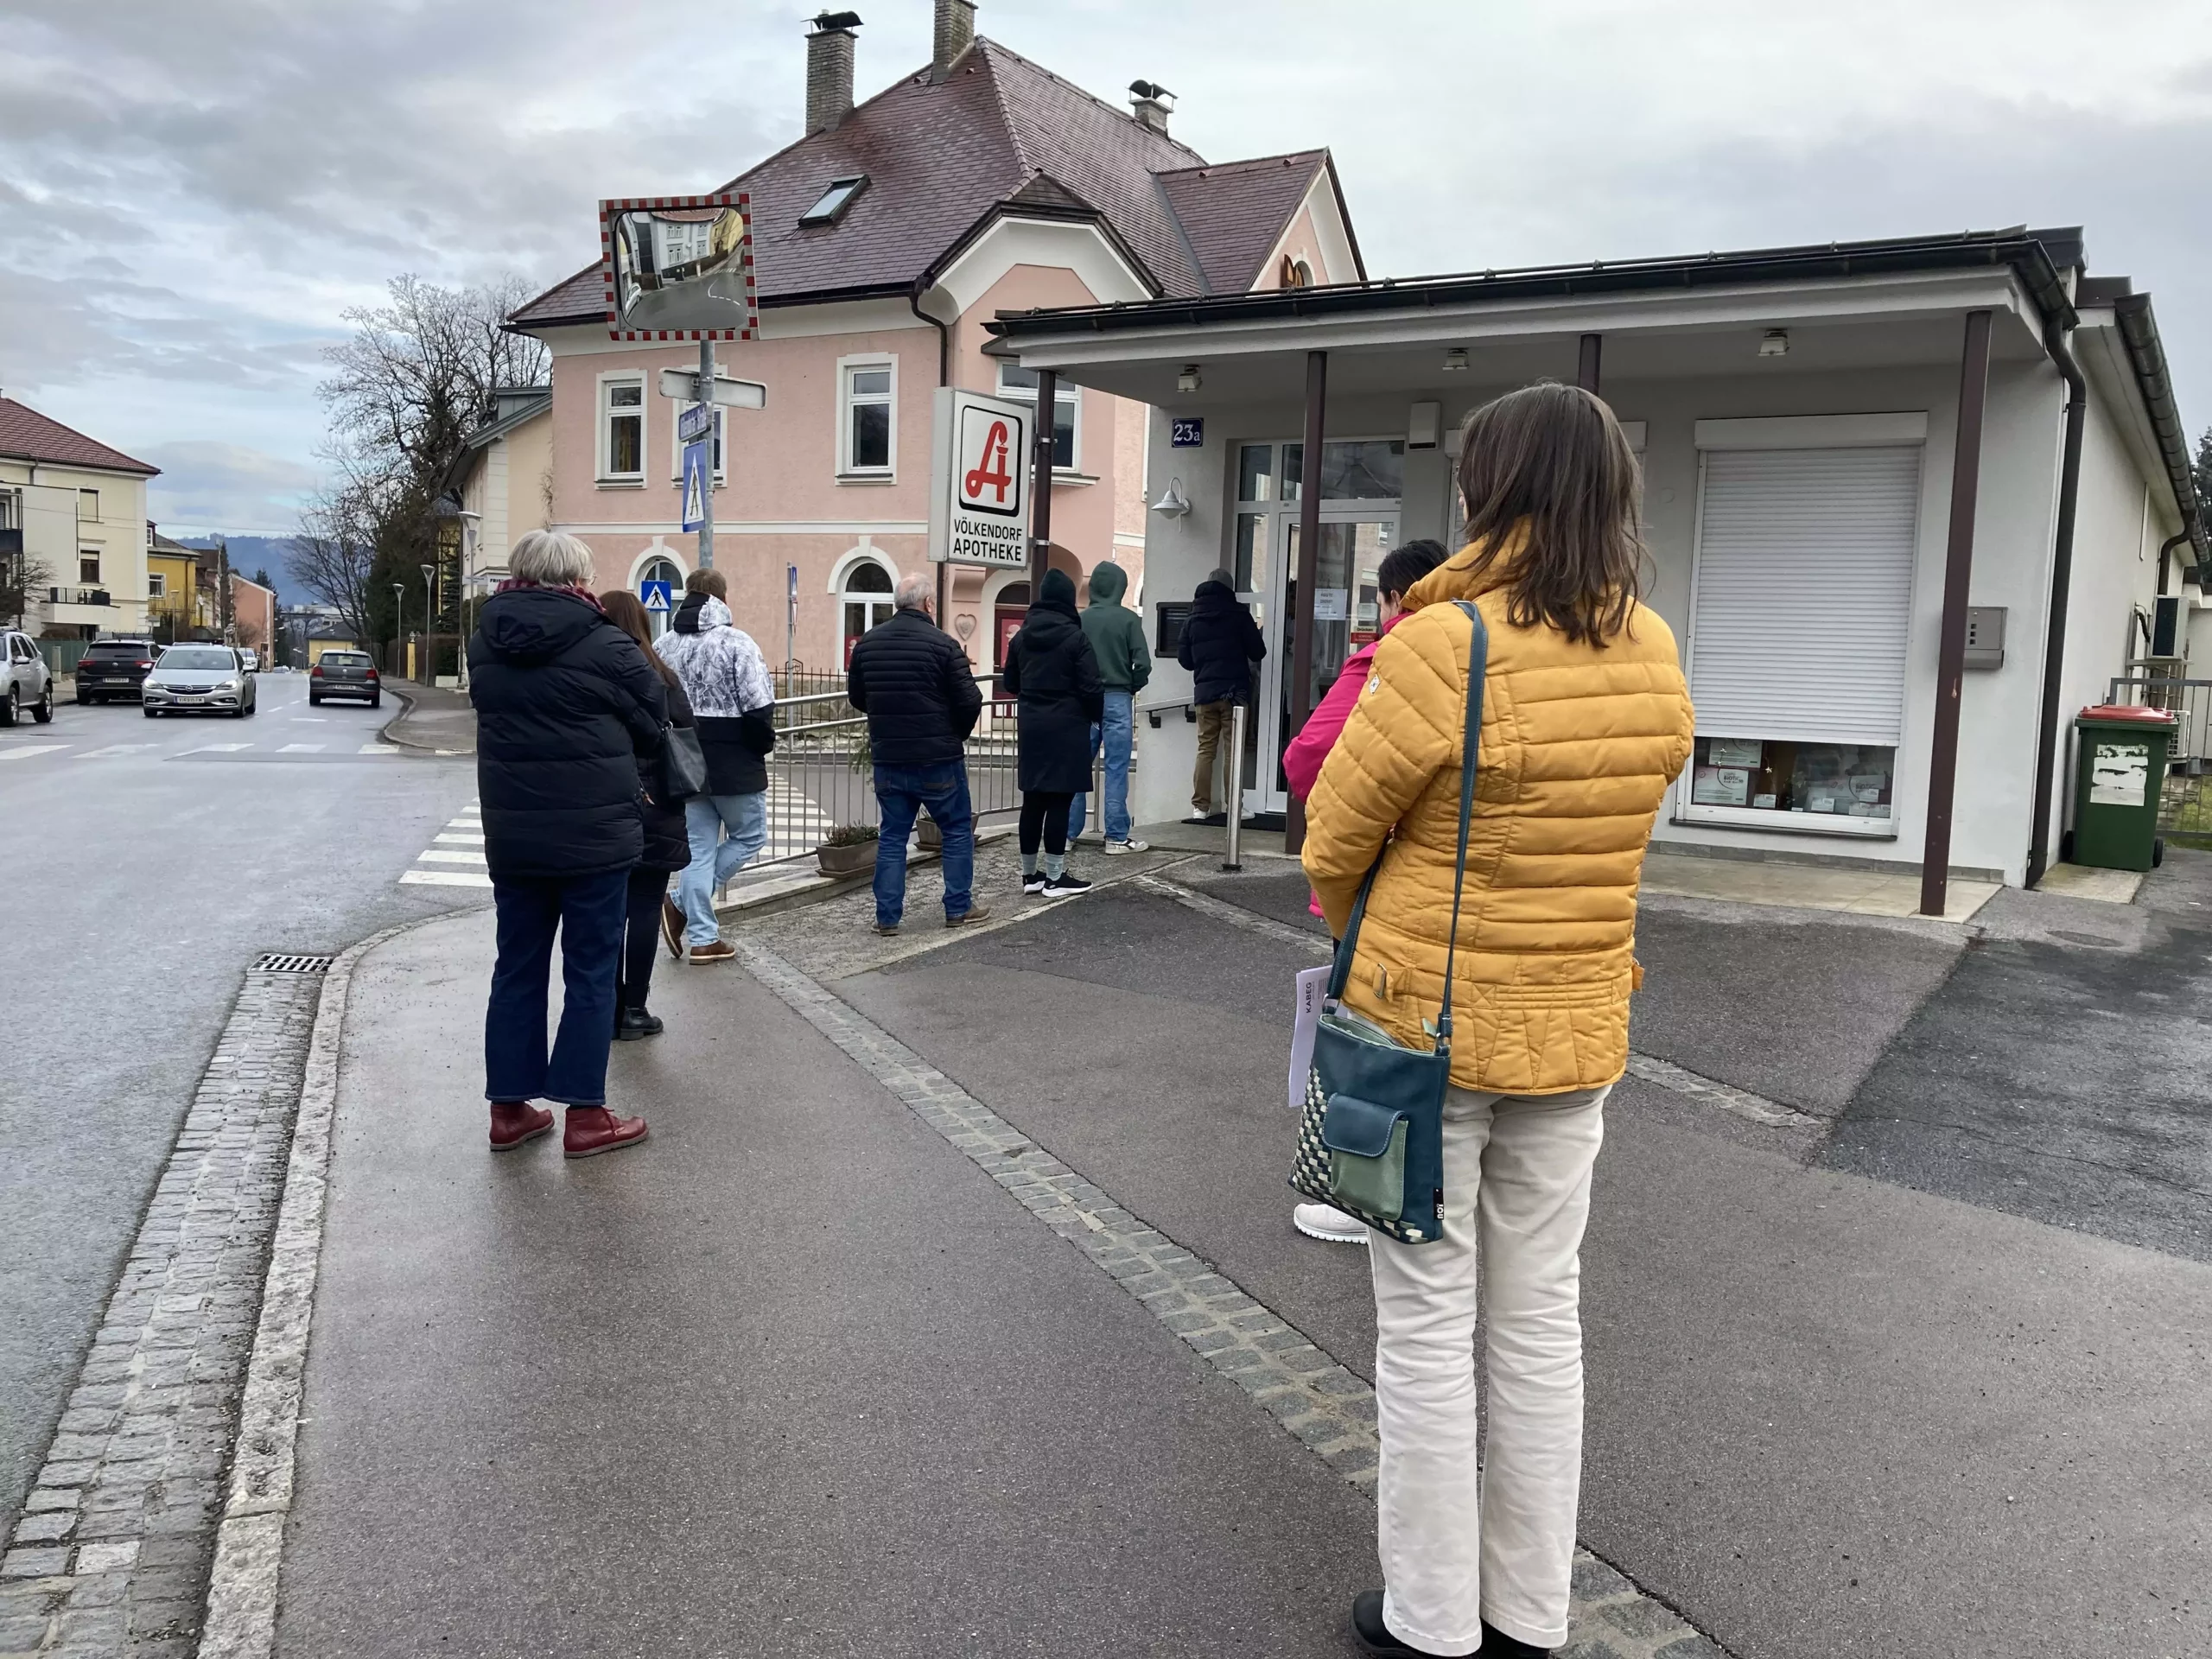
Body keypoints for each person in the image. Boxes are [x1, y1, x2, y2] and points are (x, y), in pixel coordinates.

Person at [1302, 384, 1694, 1659]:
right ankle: (1528, 1615)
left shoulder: (1442, 643)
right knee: (1539, 1323)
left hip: (1423, 1039)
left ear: (1490, 490)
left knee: (1424, 1327)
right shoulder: (1653, 649)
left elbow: (1332, 839)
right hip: (1576, 1030)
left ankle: (1429, 1621)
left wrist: (1379, 932)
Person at [469, 530, 667, 1160]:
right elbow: (654, 723)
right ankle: (586, 1115)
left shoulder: (485, 640)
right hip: (594, 835)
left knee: (516, 965)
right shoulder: (608, 643)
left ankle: (508, 1109)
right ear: (578, 579)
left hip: (514, 833)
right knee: (590, 970)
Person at [1280, 537, 1449, 1249]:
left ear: (1394, 598)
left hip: (1387, 886)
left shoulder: (1392, 656)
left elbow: (1306, 758)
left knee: (1373, 1039)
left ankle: (1365, 1194)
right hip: (1472, 901)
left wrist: (1347, 866)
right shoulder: (1499, 650)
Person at [846, 572, 988, 935]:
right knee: (955, 830)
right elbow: (970, 699)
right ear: (928, 604)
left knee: (893, 836)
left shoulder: (867, 645)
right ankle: (958, 908)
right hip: (938, 758)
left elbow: (858, 697)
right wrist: (955, 734)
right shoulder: (944, 645)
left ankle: (887, 918)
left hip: (889, 757)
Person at [655, 568, 775, 965]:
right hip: (734, 760)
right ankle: (681, 907)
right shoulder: (737, 643)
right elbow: (758, 707)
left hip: (683, 760)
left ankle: (703, 936)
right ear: (723, 599)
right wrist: (760, 747)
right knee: (751, 836)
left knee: (698, 849)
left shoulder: (664, 645)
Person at [599, 588, 693, 1039]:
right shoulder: (663, 678)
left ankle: (608, 1006)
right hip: (659, 807)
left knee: (608, 913)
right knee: (644, 909)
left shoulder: (593, 675)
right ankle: (635, 1008)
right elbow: (688, 734)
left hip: (609, 807)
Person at [1001, 567, 1103, 898]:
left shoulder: (1021, 638)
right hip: (1067, 726)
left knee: (1033, 801)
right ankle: (1056, 879)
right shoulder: (1076, 638)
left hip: (1032, 727)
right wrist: (1093, 716)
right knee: (1060, 799)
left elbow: (1010, 682)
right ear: (1068, 600)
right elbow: (1092, 687)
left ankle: (1030, 875)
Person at [1067, 558, 1151, 854]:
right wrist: (1131, 685)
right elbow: (1143, 663)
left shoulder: (1079, 620)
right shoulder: (1129, 620)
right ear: (1120, 587)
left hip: (1082, 701)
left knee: (1076, 768)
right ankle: (1116, 837)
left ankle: (1066, 835)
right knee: (1116, 768)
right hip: (1117, 699)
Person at [1177, 567, 1264, 822]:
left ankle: (1200, 807)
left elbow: (1185, 660)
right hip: (1234, 693)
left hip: (1205, 694)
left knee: (1206, 749)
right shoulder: (1239, 614)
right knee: (1232, 750)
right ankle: (1233, 806)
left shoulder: (1192, 618)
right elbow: (1258, 652)